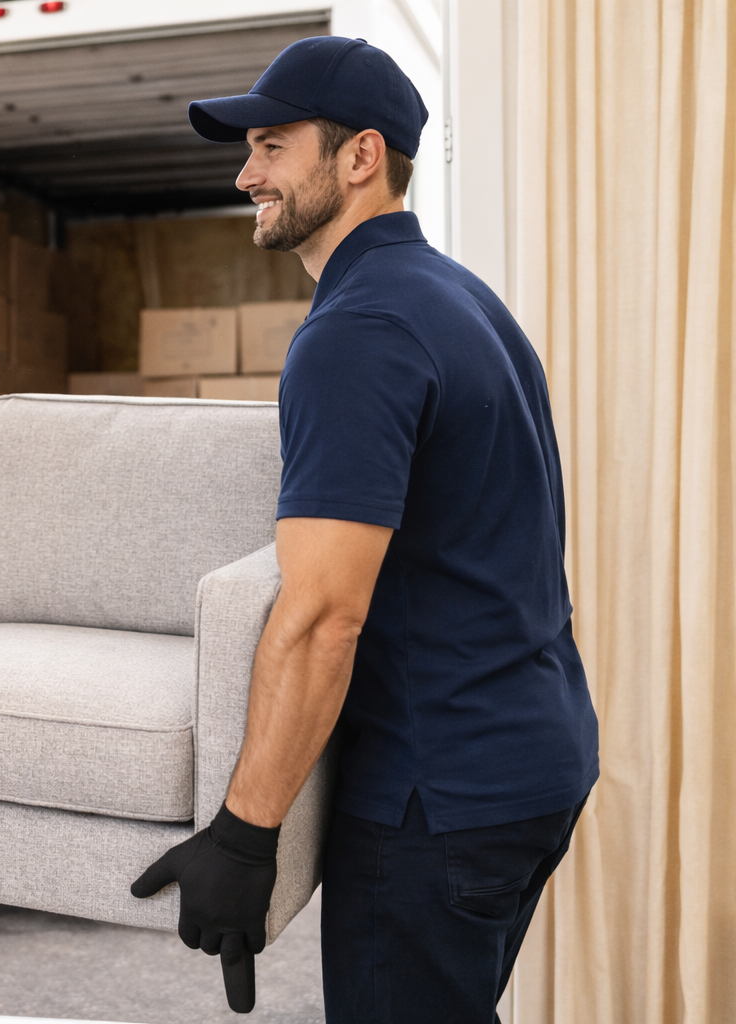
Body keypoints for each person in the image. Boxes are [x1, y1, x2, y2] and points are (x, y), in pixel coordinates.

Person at [130, 37, 599, 1023]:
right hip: (532, 756)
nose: (245, 175)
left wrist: (244, 832)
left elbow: (321, 614)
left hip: (439, 791)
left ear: (360, 157)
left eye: (272, 146)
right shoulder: (463, 299)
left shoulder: (359, 330)